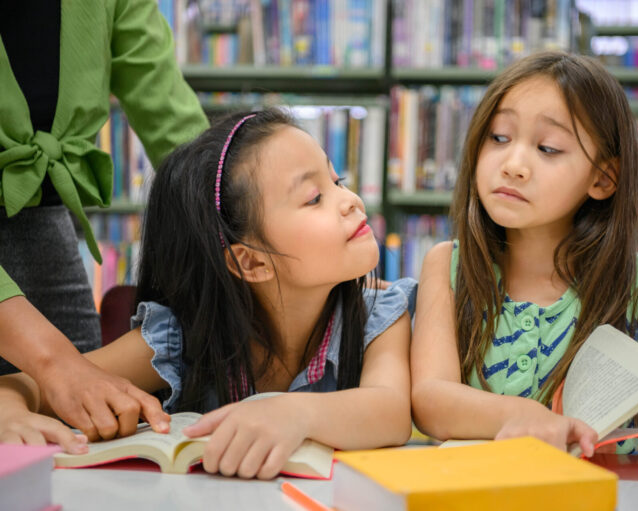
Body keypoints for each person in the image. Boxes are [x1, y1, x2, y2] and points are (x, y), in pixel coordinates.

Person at [0, 109, 415, 479]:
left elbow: (391, 411)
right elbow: (25, 386)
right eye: (315, 197)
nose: (350, 201)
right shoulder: (180, 338)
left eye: (337, 179)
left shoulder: (379, 314)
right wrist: (10, 416)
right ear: (250, 263)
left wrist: (294, 413)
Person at [410, 51, 638, 459]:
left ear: (603, 178)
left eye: (548, 148)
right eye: (499, 137)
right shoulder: (448, 265)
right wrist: (525, 415)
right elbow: (430, 401)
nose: (513, 164)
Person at [0, 0, 208, 437]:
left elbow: (177, 129)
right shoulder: (164, 340)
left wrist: (233, 212)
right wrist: (53, 363)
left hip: (42, 232)